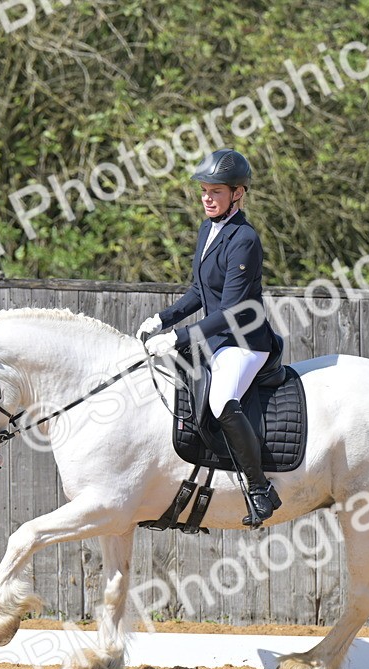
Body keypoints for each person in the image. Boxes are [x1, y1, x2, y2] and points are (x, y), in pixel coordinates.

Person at [137, 148, 282, 527]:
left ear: (238, 193)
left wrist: (179, 337)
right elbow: (199, 293)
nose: (207, 198)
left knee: (221, 401)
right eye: (204, 191)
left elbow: (231, 310)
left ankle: (260, 488)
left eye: (215, 191)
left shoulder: (244, 239)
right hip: (216, 338)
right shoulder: (207, 229)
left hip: (244, 342)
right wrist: (162, 319)